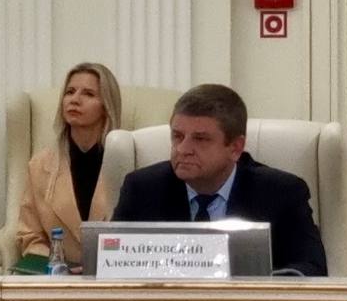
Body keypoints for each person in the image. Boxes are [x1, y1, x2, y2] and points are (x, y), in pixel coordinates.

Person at [112, 84, 327, 276]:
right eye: (177, 136)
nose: (183, 149)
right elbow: (110, 264)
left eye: (200, 139)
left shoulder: (282, 193)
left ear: (235, 148)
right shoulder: (142, 188)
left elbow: (311, 269)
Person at [16, 62, 122, 270]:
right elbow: (30, 236)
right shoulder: (40, 166)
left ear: (106, 106)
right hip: (57, 275)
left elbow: (140, 236)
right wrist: (59, 266)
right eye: (70, 92)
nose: (75, 100)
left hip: (113, 274)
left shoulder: (128, 164)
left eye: (88, 94)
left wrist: (101, 265)